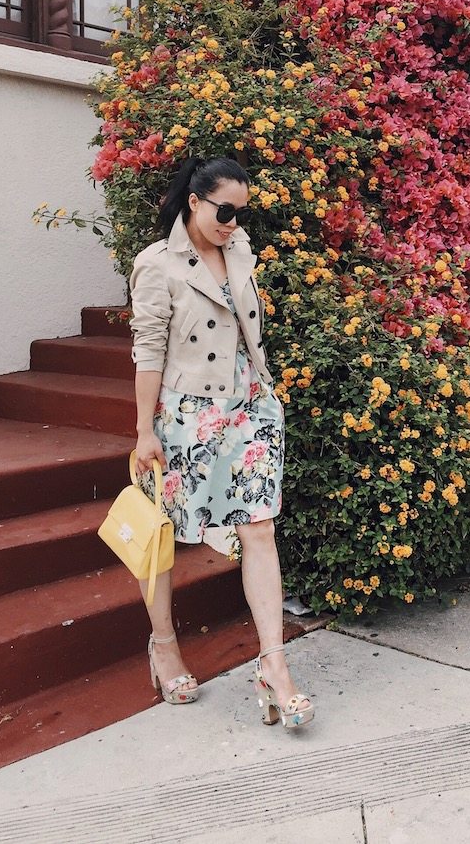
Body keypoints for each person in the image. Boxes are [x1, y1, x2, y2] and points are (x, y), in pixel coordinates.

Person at [129, 154, 313, 729]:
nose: (233, 222)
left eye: (241, 213)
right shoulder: (157, 265)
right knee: (163, 532)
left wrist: (267, 389)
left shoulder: (239, 248)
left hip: (249, 407)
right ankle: (163, 645)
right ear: (195, 201)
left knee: (259, 528)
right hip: (186, 415)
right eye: (224, 211)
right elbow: (148, 350)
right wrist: (143, 430)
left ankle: (274, 668)